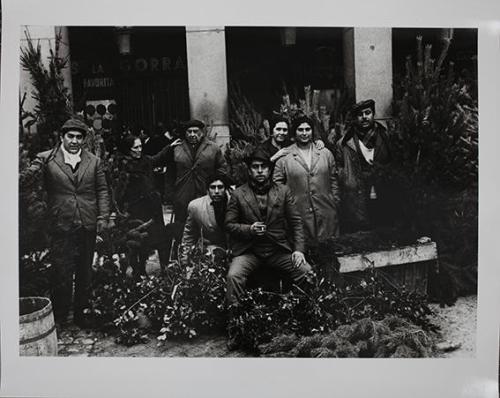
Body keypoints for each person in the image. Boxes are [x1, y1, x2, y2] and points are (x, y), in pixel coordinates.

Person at [24, 116, 110, 327]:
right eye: (70, 136)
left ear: (84, 139)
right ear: (62, 137)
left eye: (79, 137)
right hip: (60, 223)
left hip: (87, 222)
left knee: (84, 271)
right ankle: (60, 316)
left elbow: (102, 190)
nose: (74, 141)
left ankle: (82, 314)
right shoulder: (47, 159)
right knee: (61, 271)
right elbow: (30, 179)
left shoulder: (93, 161)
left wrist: (103, 218)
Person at [225, 148, 312, 307]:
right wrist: (249, 229)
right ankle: (236, 320)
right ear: (249, 170)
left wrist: (298, 250)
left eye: (263, 167)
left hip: (277, 248)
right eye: (255, 167)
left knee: (305, 271)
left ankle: (303, 311)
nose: (259, 171)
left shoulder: (283, 191)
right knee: (233, 276)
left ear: (270, 170)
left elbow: (296, 222)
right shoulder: (238, 194)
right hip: (250, 250)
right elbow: (229, 225)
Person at [115, 134, 181, 276]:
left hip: (153, 208)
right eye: (135, 147)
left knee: (160, 237)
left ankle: (164, 268)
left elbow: (157, 158)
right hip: (136, 209)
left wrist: (170, 147)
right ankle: (138, 270)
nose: (139, 150)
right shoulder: (124, 166)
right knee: (138, 241)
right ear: (128, 149)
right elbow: (119, 193)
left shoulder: (146, 160)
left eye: (140, 146)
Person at [273, 116, 340, 246]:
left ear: (312, 131)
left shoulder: (325, 153)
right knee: (306, 252)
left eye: (307, 129)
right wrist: (288, 208)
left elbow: (334, 179)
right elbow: (277, 187)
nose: (304, 133)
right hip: (299, 214)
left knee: (330, 252)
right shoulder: (285, 157)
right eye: (300, 130)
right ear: (294, 132)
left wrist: (335, 199)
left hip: (326, 211)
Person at [335, 99, 392, 232]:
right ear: (355, 118)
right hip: (357, 194)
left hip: (383, 191)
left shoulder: (386, 137)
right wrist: (347, 179)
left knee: (385, 230)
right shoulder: (344, 143)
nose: (365, 117)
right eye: (360, 114)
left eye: (368, 113)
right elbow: (338, 167)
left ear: (373, 114)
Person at [166, 119, 228, 223]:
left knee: (207, 222)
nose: (192, 134)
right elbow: (170, 173)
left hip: (205, 192)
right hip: (183, 193)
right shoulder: (177, 148)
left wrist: (214, 186)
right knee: (182, 224)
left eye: (195, 131)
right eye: (189, 132)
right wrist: (170, 194)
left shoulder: (213, 148)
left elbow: (222, 169)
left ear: (202, 132)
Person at [179, 173, 230, 266]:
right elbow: (189, 234)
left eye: (220, 187)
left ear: (226, 189)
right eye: (213, 187)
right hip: (210, 251)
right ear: (207, 190)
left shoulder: (236, 203)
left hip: (234, 250)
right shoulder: (196, 206)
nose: (217, 191)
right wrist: (185, 258)